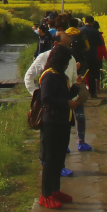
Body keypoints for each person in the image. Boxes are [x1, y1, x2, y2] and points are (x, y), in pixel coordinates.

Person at [25, 30, 78, 176]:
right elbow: (29, 77)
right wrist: (37, 95)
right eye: (65, 45)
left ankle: (59, 167)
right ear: (55, 45)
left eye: (69, 45)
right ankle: (50, 171)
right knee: (48, 144)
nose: (68, 48)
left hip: (65, 109)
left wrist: (76, 88)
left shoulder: (70, 58)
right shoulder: (45, 60)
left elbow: (71, 79)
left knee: (62, 142)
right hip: (52, 110)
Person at [38, 45, 80, 209]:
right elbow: (46, 98)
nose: (67, 64)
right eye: (66, 61)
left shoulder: (59, 76)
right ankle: (46, 195)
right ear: (59, 60)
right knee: (51, 160)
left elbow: (65, 95)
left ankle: (55, 190)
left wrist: (76, 86)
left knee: (59, 159)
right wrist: (66, 103)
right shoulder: (49, 76)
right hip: (52, 123)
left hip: (62, 122)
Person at [65, 17, 93, 152]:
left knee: (64, 115)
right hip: (79, 71)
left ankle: (65, 146)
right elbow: (87, 48)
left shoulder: (64, 36)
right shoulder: (81, 35)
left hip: (65, 77)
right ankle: (81, 141)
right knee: (80, 109)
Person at [80, 15, 104, 99]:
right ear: (93, 22)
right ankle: (92, 93)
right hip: (93, 55)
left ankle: (80, 93)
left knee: (81, 74)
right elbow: (100, 43)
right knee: (92, 74)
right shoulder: (95, 31)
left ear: (85, 20)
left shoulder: (80, 30)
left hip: (82, 56)